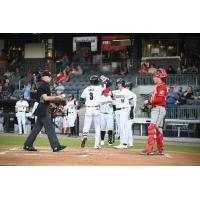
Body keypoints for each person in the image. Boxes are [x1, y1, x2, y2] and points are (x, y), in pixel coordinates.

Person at [23, 71, 66, 152]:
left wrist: (50, 104)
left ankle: (28, 144)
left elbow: (44, 99)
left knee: (36, 128)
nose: (50, 78)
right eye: (49, 76)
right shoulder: (44, 85)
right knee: (49, 127)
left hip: (42, 107)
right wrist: (57, 97)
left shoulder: (44, 85)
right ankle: (55, 146)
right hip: (43, 108)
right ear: (44, 77)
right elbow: (45, 98)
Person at [79, 75, 111, 149]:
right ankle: (96, 145)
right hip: (96, 109)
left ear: (90, 81)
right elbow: (109, 83)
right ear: (97, 82)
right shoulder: (99, 87)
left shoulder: (86, 89)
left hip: (88, 109)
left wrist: (79, 107)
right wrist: (104, 78)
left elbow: (81, 99)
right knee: (97, 127)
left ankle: (84, 136)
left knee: (86, 126)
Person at [142, 68, 167, 155]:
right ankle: (160, 149)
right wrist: (150, 104)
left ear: (159, 77)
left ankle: (150, 149)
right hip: (157, 108)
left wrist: (149, 102)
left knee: (151, 127)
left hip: (158, 109)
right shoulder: (159, 86)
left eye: (155, 76)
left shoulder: (161, 86)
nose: (153, 78)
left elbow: (159, 99)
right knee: (158, 129)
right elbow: (157, 99)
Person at [112, 78, 135, 149]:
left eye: (120, 83)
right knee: (120, 128)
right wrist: (106, 83)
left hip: (124, 110)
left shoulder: (127, 91)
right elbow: (108, 93)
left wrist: (131, 111)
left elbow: (132, 101)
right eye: (118, 83)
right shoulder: (116, 92)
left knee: (123, 127)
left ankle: (125, 143)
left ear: (123, 84)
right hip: (117, 110)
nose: (118, 84)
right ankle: (122, 143)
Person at [125, 81, 137, 147]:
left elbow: (134, 105)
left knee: (128, 128)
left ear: (130, 87)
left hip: (130, 112)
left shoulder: (133, 95)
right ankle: (126, 142)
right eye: (126, 86)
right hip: (124, 113)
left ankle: (129, 142)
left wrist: (131, 111)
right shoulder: (124, 94)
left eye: (128, 86)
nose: (126, 87)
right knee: (125, 128)